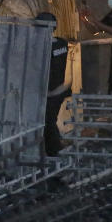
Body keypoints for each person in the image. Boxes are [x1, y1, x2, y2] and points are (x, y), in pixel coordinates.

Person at [37, 12, 71, 156]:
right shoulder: (62, 43)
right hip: (58, 90)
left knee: (48, 122)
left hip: (48, 92)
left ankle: (55, 152)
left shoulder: (42, 48)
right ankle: (54, 150)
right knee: (50, 120)